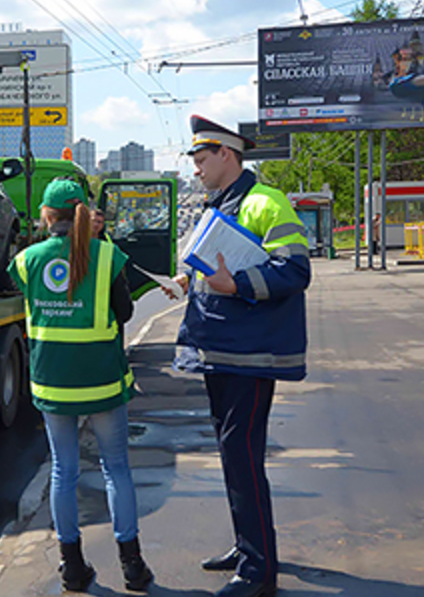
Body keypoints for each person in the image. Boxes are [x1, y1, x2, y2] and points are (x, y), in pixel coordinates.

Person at [160, 116, 311, 597]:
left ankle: (258, 571)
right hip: (222, 351)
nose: (198, 171)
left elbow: (295, 269)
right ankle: (249, 546)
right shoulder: (220, 204)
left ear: (227, 155)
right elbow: (212, 264)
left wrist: (237, 285)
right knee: (233, 457)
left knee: (242, 457)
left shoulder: (265, 202)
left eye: (202, 161)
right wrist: (186, 281)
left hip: (249, 356)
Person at [10, 179, 153, 593]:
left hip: (53, 383)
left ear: (46, 216)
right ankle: (133, 566)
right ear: (83, 214)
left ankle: (71, 567)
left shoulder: (27, 259)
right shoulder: (107, 255)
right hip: (103, 380)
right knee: (117, 469)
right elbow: (124, 312)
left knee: (64, 472)